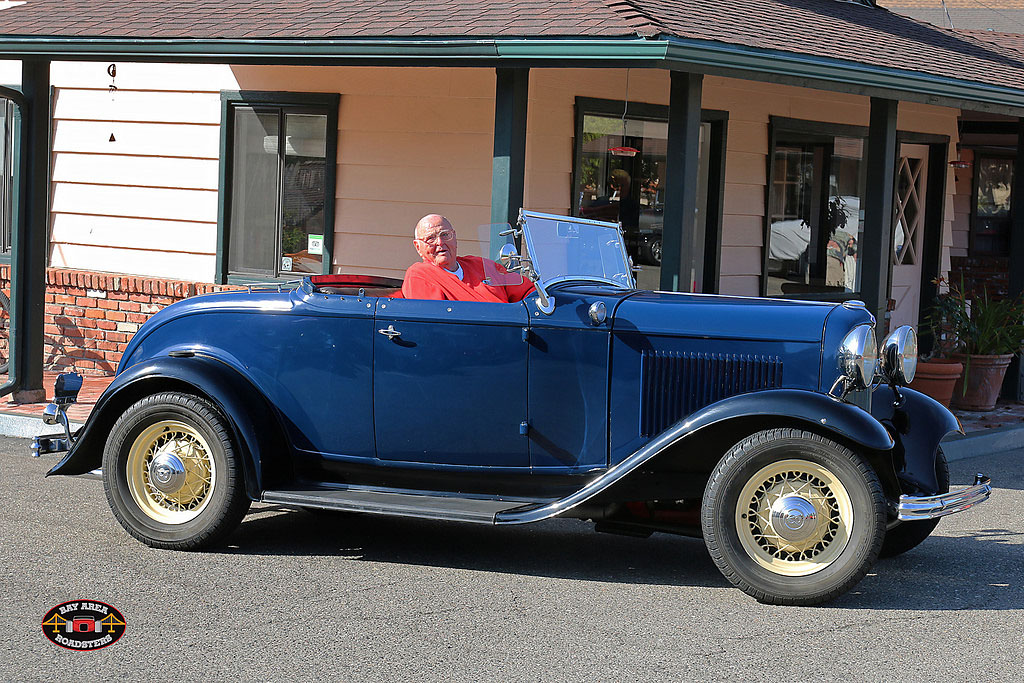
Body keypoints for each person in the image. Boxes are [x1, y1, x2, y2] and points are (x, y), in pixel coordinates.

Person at [402, 214, 535, 302]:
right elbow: (434, 320)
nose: (440, 242)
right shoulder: (419, 275)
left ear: (454, 237)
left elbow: (528, 292)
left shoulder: (481, 265)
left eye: (445, 235)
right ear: (418, 247)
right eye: (430, 238)